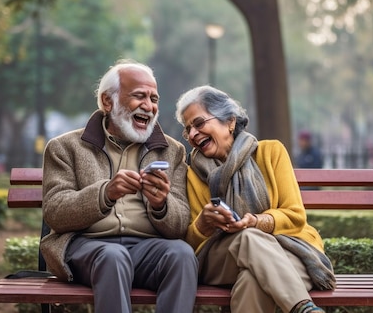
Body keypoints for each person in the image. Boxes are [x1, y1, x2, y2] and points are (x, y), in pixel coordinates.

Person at [40, 59, 198, 313]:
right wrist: (106, 192)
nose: (148, 106)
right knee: (113, 257)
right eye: (139, 96)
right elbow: (56, 214)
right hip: (86, 247)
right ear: (107, 101)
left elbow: (179, 225)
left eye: (154, 99)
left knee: (181, 254)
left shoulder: (172, 151)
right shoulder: (65, 147)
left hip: (148, 249)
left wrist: (161, 205)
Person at [175, 85, 336, 313]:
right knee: (248, 238)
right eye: (187, 129)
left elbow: (295, 215)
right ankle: (302, 308)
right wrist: (204, 223)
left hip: (291, 250)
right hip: (220, 259)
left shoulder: (271, 152)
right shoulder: (192, 173)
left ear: (229, 121)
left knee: (253, 279)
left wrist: (255, 221)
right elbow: (190, 246)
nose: (192, 135)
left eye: (199, 123)